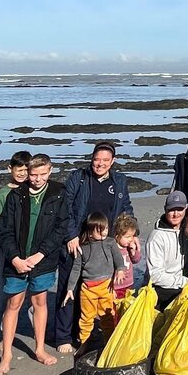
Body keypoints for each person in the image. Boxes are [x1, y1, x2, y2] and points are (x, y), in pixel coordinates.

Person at [0, 154, 67, 374]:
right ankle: (6, 355)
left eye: (42, 174)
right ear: (27, 172)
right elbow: (3, 230)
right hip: (16, 260)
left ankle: (40, 349)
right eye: (33, 174)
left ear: (50, 171)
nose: (37, 179)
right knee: (13, 304)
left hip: (43, 261)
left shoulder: (58, 193)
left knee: (40, 302)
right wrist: (15, 258)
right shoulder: (16, 195)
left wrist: (40, 255)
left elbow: (60, 228)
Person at [61, 143, 135, 354]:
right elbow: (65, 207)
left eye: (105, 160)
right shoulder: (79, 177)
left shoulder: (119, 181)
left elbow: (126, 208)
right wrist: (72, 235)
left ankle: (107, 336)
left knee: (105, 291)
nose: (100, 163)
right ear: (91, 159)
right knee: (72, 286)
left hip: (106, 241)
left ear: (112, 162)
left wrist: (131, 233)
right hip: (79, 240)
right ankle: (67, 336)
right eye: (96, 159)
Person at [63, 211, 130, 347]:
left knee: (107, 317)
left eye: (105, 228)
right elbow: (76, 269)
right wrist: (70, 288)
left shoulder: (110, 243)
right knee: (86, 318)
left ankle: (109, 343)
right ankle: (84, 344)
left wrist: (120, 270)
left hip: (106, 287)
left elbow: (118, 259)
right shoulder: (83, 248)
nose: (104, 232)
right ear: (90, 231)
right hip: (88, 289)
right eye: (99, 230)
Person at [145, 191, 188, 308]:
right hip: (161, 290)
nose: (175, 214)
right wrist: (185, 282)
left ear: (186, 208)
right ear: (165, 210)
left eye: (179, 209)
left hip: (183, 284)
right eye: (171, 210)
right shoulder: (156, 237)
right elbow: (155, 275)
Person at [0, 151, 30, 240]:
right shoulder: (2, 194)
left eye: (26, 170)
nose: (23, 174)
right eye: (19, 170)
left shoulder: (33, 190)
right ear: (10, 169)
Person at [112, 214, 142, 301]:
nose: (130, 239)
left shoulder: (128, 248)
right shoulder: (113, 249)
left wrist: (133, 252)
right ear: (117, 236)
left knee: (127, 305)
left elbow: (136, 260)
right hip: (116, 285)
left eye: (132, 236)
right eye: (127, 237)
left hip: (128, 284)